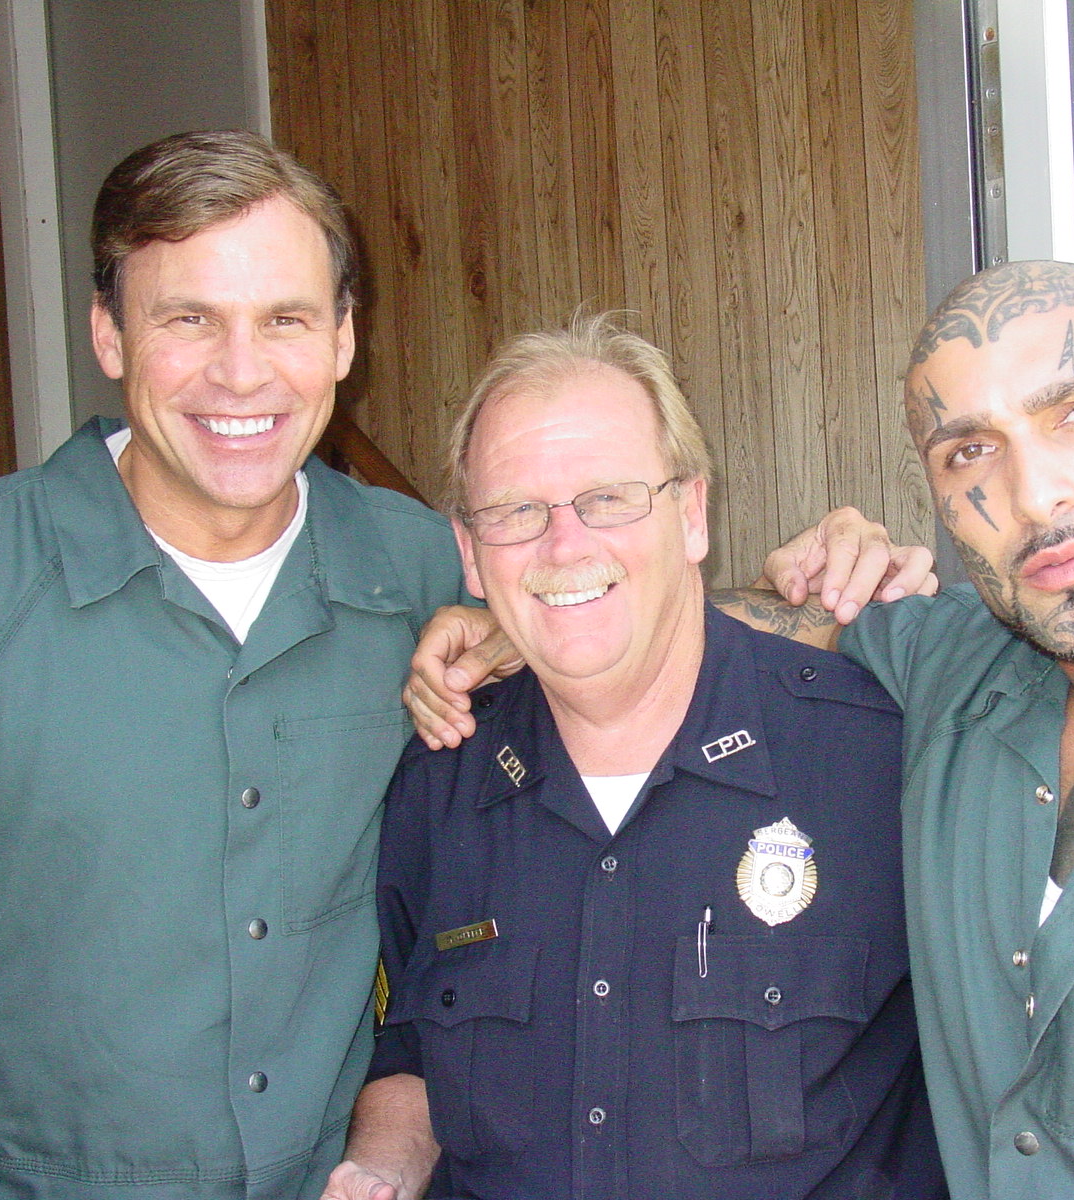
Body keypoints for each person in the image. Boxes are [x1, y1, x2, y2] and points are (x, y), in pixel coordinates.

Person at [416, 260, 1074, 1199]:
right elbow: (669, 614)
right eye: (970, 451)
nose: (1033, 493)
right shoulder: (957, 670)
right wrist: (529, 612)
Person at [0, 131, 473, 1200]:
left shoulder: (424, 566)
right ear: (108, 333)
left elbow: (639, 647)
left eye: (284, 318)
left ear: (341, 339)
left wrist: (846, 583)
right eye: (188, 318)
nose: (241, 372)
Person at [324, 314, 949, 1200]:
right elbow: (419, 1045)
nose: (564, 545)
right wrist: (380, 1166)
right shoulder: (439, 782)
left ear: (692, 513)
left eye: (610, 498)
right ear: (468, 553)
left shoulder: (878, 757)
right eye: (515, 512)